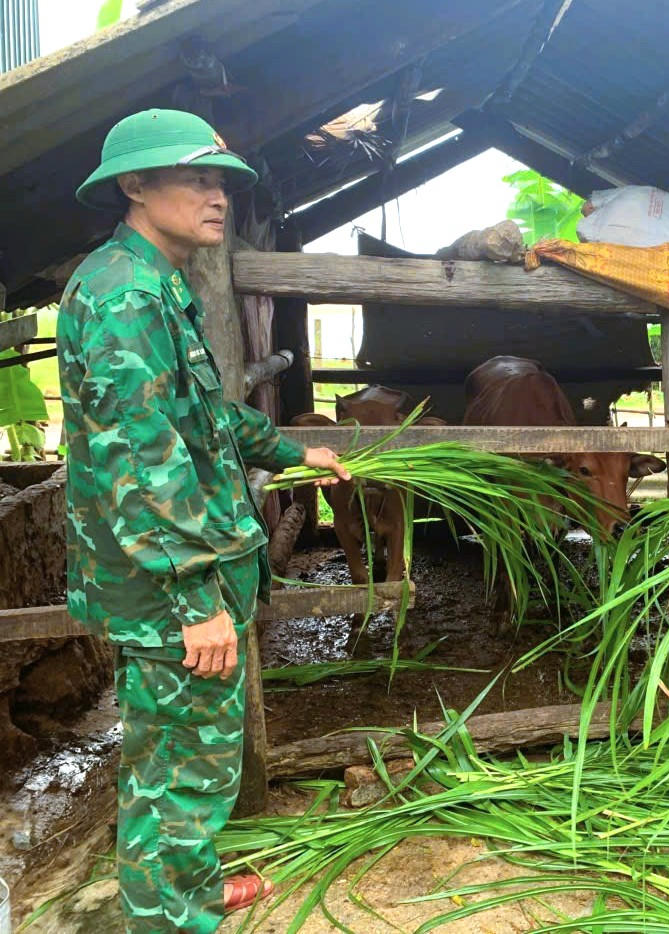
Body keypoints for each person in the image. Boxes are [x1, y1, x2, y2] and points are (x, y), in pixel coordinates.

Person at [57, 109, 350, 932]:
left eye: (220, 179)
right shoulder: (123, 296)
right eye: (195, 177)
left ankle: (182, 890)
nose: (216, 194)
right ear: (135, 185)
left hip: (171, 576)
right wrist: (196, 598)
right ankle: (171, 920)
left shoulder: (153, 281)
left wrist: (296, 454)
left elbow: (204, 418)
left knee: (185, 757)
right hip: (166, 587)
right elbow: (142, 467)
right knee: (179, 766)